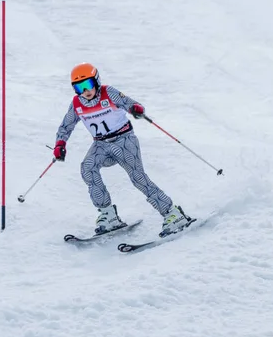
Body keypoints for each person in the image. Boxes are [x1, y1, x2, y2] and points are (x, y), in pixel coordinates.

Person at [54, 62, 192, 235]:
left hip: (124, 140)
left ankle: (172, 213)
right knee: (87, 168)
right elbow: (65, 126)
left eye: (88, 85)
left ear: (96, 81)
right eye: (79, 87)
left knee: (137, 178)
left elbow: (130, 103)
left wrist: (136, 109)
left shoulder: (108, 93)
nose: (85, 91)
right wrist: (60, 144)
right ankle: (108, 214)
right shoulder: (77, 104)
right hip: (101, 145)